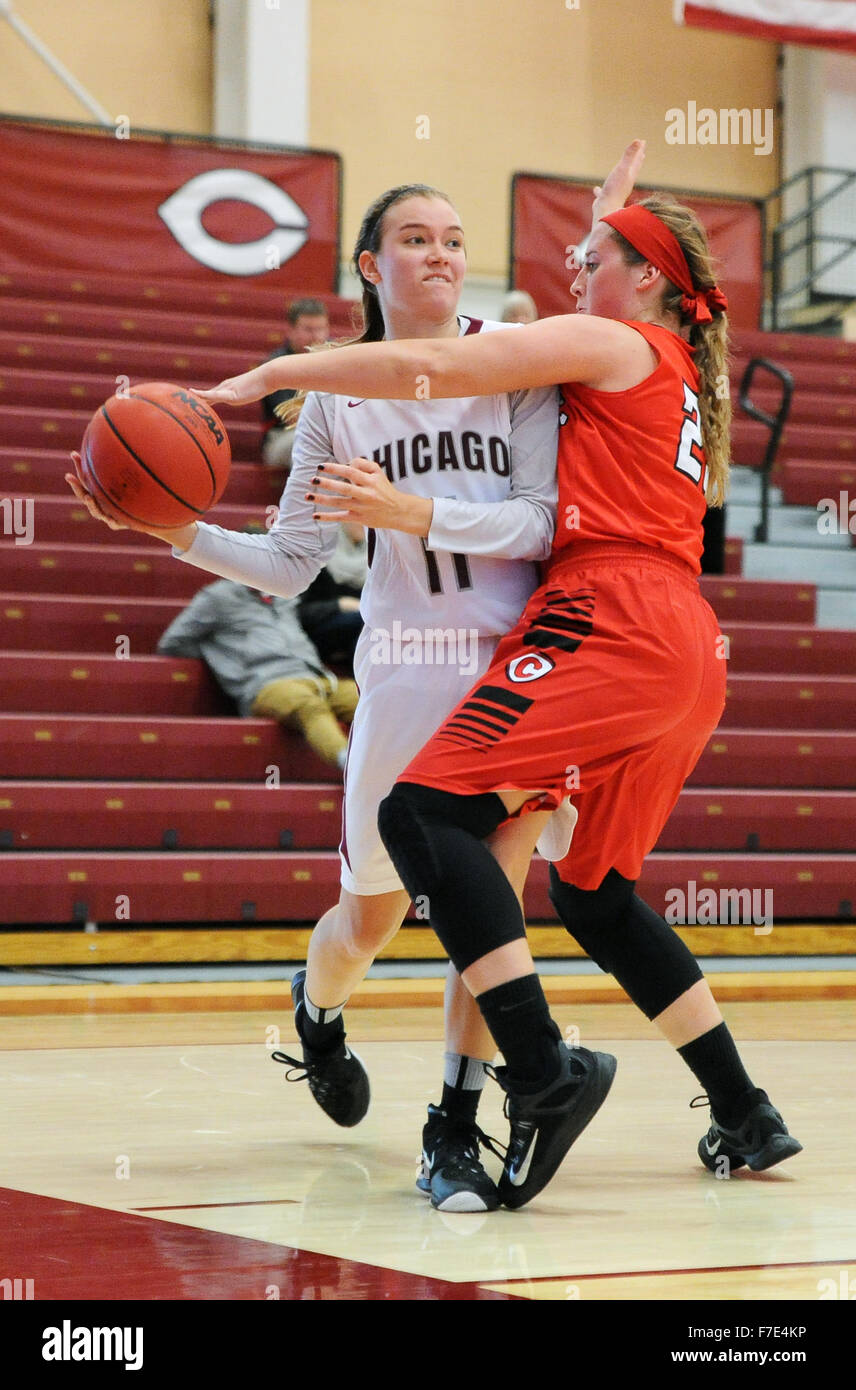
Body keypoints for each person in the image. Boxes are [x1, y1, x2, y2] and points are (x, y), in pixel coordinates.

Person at [199, 146, 801, 1210]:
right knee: (594, 894)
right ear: (373, 263)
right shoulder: (659, 343)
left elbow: (421, 370)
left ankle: (533, 1076)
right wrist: (613, 218)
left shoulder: (603, 340)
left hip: (599, 612)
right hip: (682, 639)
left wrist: (283, 370)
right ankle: (745, 1110)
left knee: (429, 819)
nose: (573, 270)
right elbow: (616, 266)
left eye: (594, 257)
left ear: (644, 277)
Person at [66, 179, 576, 1214]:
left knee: (488, 910)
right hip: (399, 675)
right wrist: (170, 530)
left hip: (506, 671)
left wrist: (412, 508)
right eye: (415, 238)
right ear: (369, 267)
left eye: (454, 237)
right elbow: (296, 564)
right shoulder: (339, 395)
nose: (440, 254)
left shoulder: (517, 364)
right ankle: (317, 1010)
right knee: (365, 922)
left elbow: (541, 519)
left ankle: (453, 1124)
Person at [156, 575, 356, 772]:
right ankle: (353, 768)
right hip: (267, 683)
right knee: (309, 705)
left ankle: (387, 770)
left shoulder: (284, 594)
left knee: (370, 701)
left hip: (316, 676)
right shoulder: (218, 597)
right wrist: (220, 658)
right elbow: (173, 642)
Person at [261, 298, 330, 469]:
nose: (316, 336)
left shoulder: (336, 359)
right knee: (304, 445)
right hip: (283, 437)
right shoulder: (277, 365)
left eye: (320, 329)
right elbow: (293, 417)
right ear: (291, 331)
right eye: (308, 329)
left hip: (327, 434)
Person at [296, 521, 366, 670]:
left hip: (356, 627)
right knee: (366, 621)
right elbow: (298, 612)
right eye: (361, 521)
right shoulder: (318, 552)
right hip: (316, 629)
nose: (366, 526)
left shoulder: (373, 555)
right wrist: (340, 605)